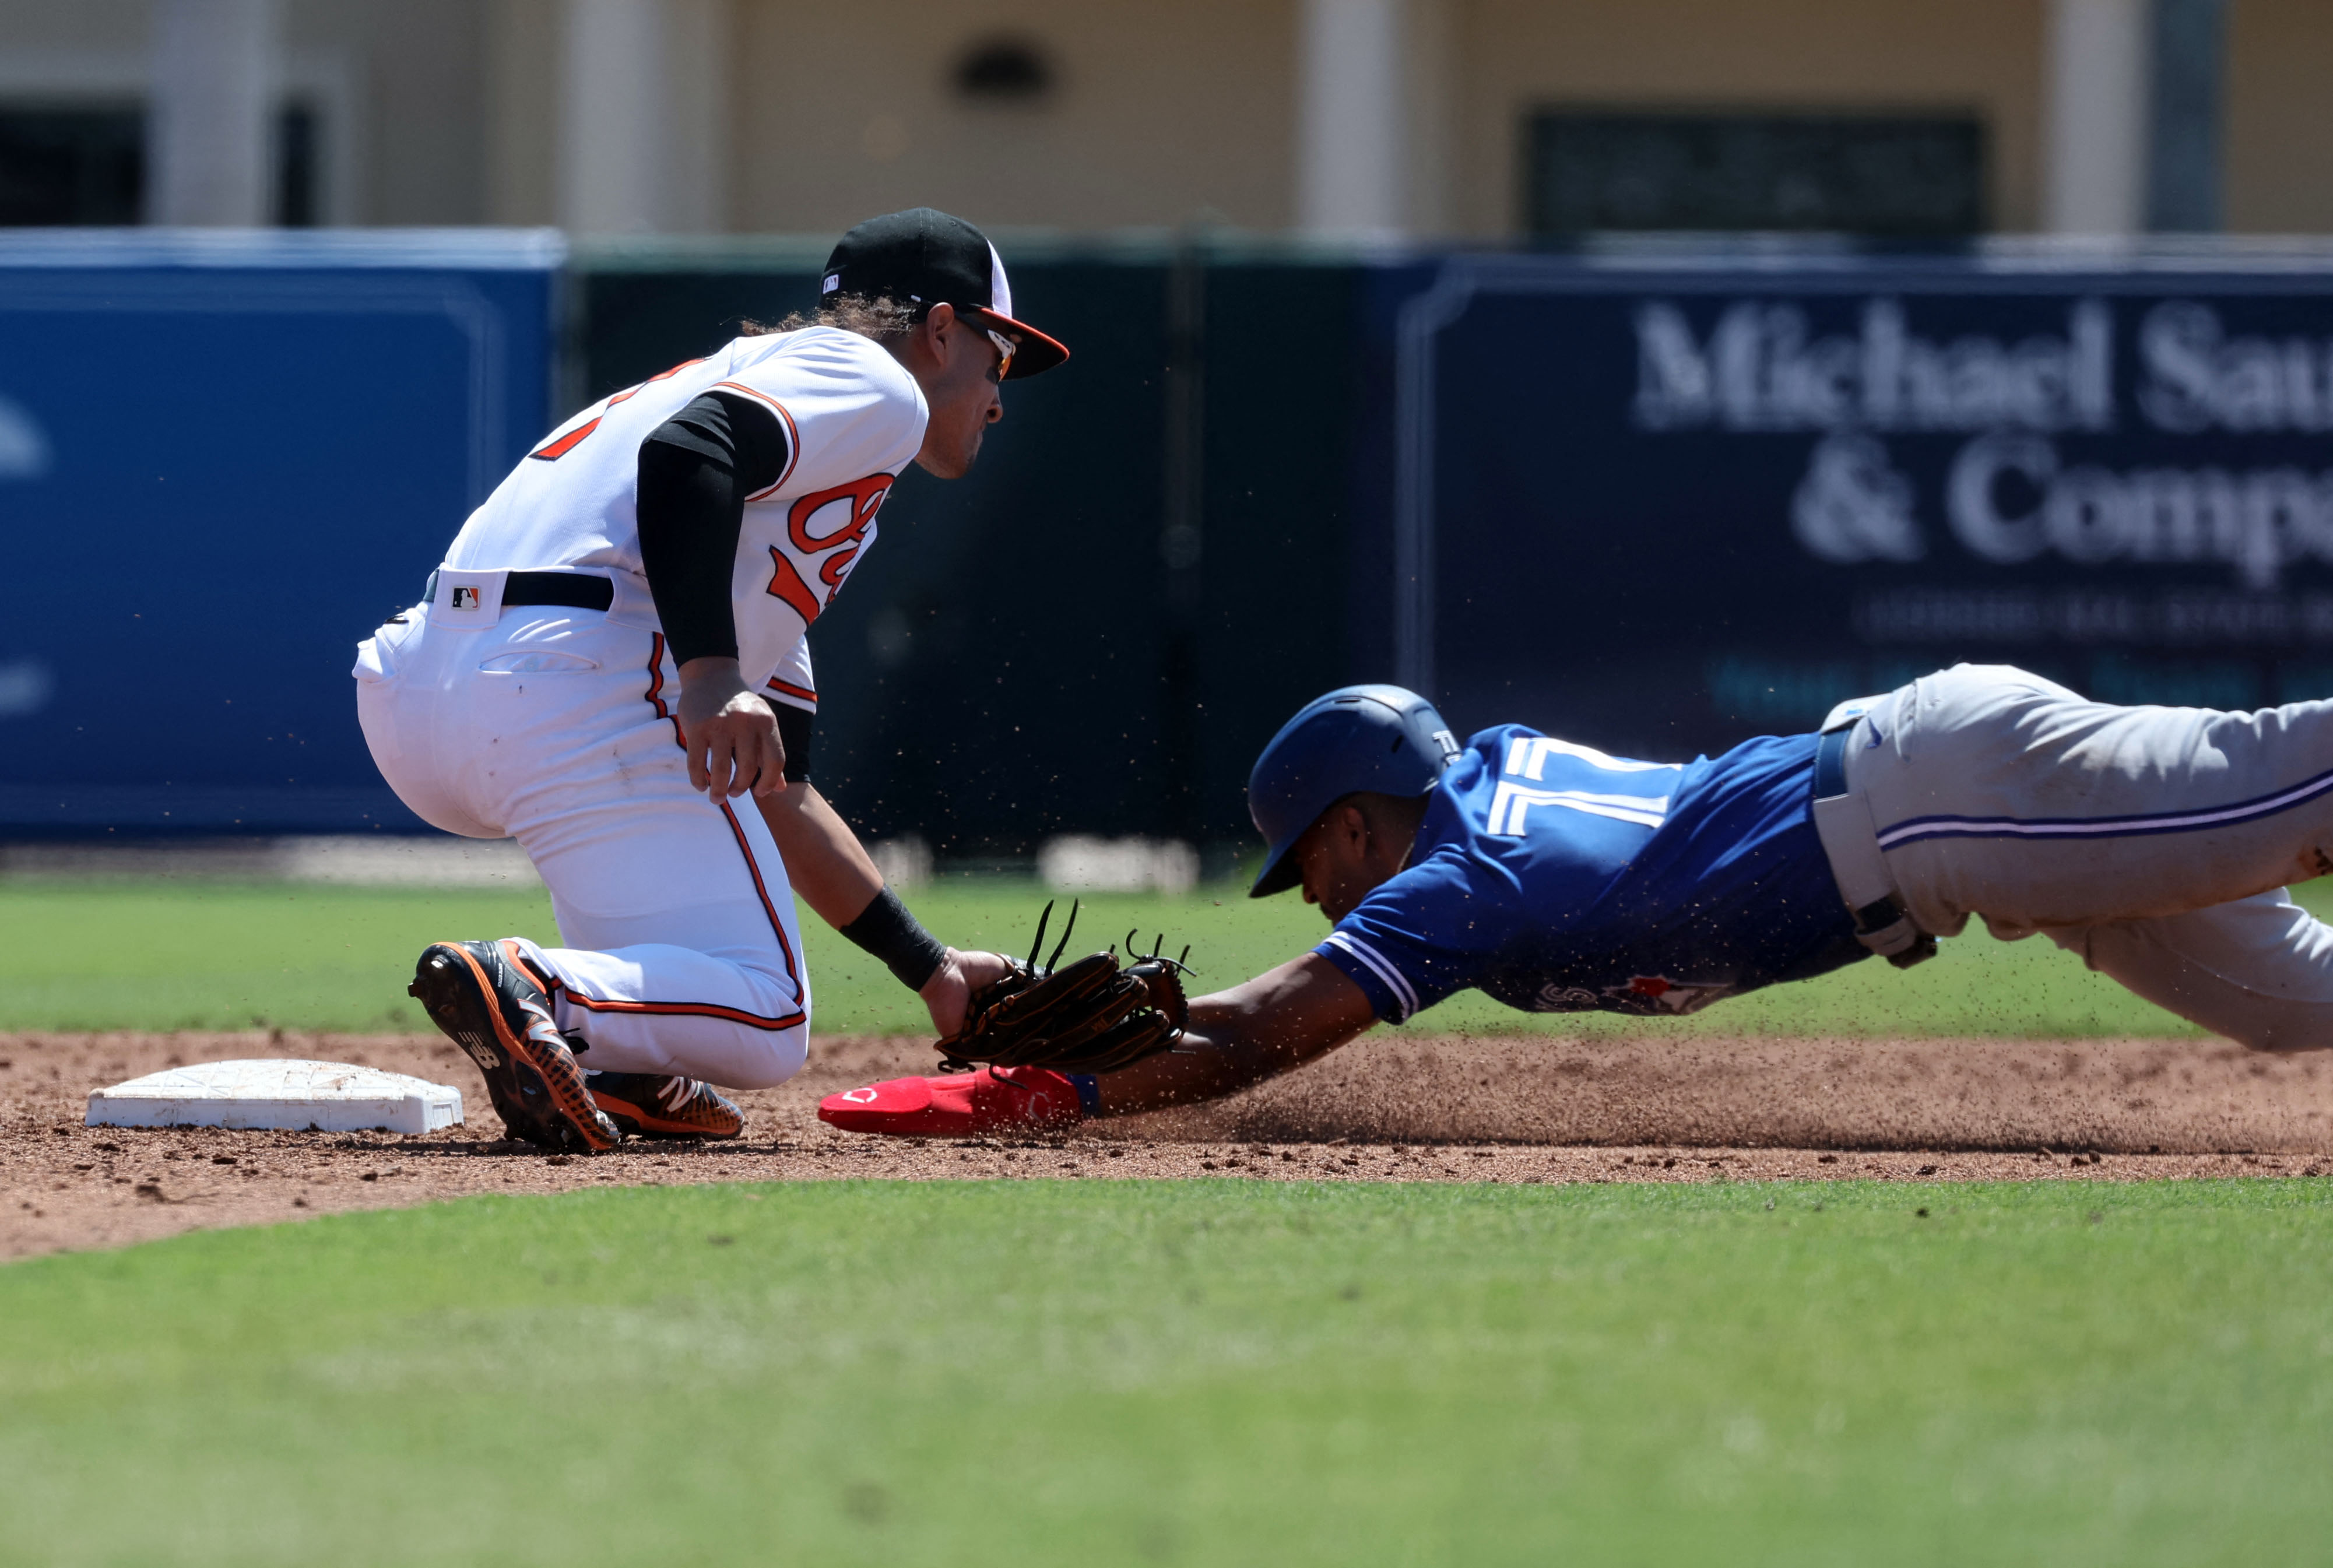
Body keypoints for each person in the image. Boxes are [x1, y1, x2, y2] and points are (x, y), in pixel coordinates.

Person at [818, 665, 2333, 1138]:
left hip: (1940, 804)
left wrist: (1060, 1085)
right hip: (1946, 808)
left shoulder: (1458, 879)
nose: (1321, 893)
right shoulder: (1489, 773)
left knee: (2283, 791)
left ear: (1354, 821)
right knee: (2298, 1003)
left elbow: (1281, 1024)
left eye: (1314, 863)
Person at [356, 208, 1064, 1151]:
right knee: (771, 1017)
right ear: (940, 331)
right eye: (998, 355)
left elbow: (782, 791)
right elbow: (690, 456)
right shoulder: (872, 383)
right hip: (577, 672)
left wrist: (931, 971)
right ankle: (532, 986)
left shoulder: (776, 471)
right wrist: (711, 674)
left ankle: (616, 1061)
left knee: (693, 963)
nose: (998, 394)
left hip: (425, 692)